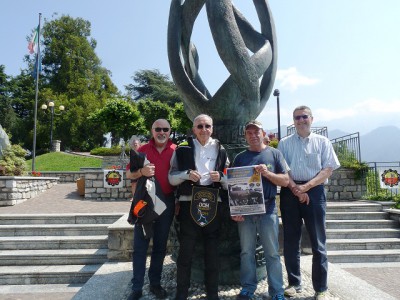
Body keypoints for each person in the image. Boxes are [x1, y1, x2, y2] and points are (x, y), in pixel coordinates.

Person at [277, 106, 340, 300]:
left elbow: (328, 169)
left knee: (318, 242)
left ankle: (321, 288)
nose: (301, 120)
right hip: (290, 192)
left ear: (312, 119)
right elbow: (283, 169)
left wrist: (306, 188)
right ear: (293, 121)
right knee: (290, 240)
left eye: (304, 116)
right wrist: (296, 188)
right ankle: (294, 283)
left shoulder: (322, 142)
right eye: (297, 117)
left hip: (315, 192)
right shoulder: (284, 143)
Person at [168, 114, 229, 300]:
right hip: (188, 204)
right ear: (193, 129)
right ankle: (181, 294)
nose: (204, 129)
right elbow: (171, 178)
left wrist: (222, 178)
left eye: (207, 126)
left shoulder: (221, 149)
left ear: (212, 128)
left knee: (212, 254)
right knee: (185, 253)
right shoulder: (182, 149)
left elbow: (229, 182)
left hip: (214, 205)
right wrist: (186, 174)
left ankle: (212, 294)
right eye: (200, 126)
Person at [231, 120, 288, 300]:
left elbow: (286, 181)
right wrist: (236, 209)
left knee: (272, 252)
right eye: (249, 132)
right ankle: (248, 287)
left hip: (268, 209)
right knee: (246, 251)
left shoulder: (275, 154)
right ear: (245, 136)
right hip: (245, 210)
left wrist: (267, 174)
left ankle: (277, 291)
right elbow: (234, 185)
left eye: (257, 132)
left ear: (263, 133)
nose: (253, 135)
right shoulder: (240, 157)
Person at [127, 119, 176, 300]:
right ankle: (137, 287)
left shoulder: (175, 151)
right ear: (152, 130)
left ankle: (155, 283)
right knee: (140, 246)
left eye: (165, 129)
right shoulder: (142, 150)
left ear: (170, 131)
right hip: (145, 203)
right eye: (158, 129)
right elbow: (129, 174)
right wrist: (142, 172)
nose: (161, 132)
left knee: (160, 247)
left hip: (167, 203)